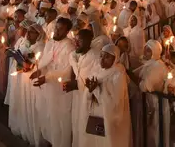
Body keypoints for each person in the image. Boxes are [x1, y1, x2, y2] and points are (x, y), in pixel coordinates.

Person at [31, 17, 75, 147]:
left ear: (67, 32)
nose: (57, 31)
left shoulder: (69, 47)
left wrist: (47, 77)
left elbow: (66, 71)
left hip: (60, 89)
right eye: (56, 27)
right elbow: (46, 61)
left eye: (61, 29)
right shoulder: (51, 42)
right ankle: (50, 141)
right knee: (48, 115)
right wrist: (39, 71)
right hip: (48, 86)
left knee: (60, 119)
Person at [82, 44, 132, 147]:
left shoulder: (118, 73)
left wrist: (97, 89)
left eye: (107, 57)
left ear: (115, 58)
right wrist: (90, 91)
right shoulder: (98, 71)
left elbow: (116, 102)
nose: (102, 59)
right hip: (97, 113)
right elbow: (89, 93)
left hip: (110, 117)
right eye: (101, 56)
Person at [66, 29, 100, 147]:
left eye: (79, 40)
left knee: (87, 133)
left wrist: (77, 84)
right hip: (79, 99)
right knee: (78, 127)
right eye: (75, 40)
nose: (76, 43)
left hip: (90, 102)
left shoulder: (95, 57)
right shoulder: (82, 54)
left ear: (88, 41)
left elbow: (96, 81)